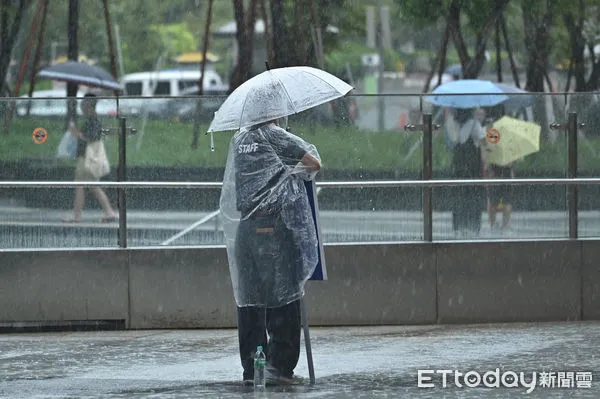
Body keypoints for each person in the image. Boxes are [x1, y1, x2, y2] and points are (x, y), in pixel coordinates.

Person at [220, 117, 321, 386]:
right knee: (283, 299)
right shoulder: (274, 136)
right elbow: (314, 164)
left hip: (246, 230)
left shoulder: (240, 140)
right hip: (272, 228)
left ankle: (254, 369)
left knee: (251, 301)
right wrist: (289, 169)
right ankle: (279, 368)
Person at [63, 93, 117, 223]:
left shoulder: (93, 121)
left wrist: (74, 132)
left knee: (80, 185)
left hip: (87, 158)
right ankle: (109, 212)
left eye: (83, 104)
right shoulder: (92, 120)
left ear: (88, 106)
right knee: (92, 186)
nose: (81, 106)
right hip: (86, 157)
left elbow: (89, 138)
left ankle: (78, 215)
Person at [451, 107, 486, 236]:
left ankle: (458, 225)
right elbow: (484, 141)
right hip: (473, 169)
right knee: (474, 197)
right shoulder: (475, 124)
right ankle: (473, 226)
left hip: (459, 168)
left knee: (459, 197)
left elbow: (453, 142)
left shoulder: (454, 124)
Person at [485, 162, 515, 231]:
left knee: (494, 201)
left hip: (496, 173)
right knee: (505, 201)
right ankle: (504, 225)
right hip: (502, 173)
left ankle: (494, 225)